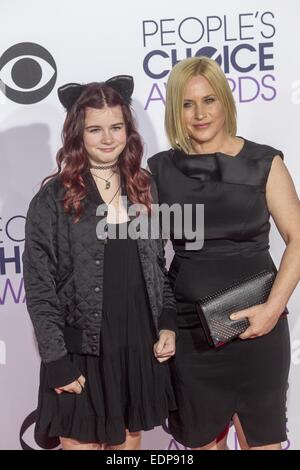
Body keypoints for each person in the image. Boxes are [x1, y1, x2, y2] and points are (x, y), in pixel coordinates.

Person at [147, 57, 300, 450]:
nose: (199, 114)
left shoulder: (265, 162)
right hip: (190, 334)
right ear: (175, 109)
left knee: (263, 442)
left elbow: (298, 237)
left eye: (209, 100)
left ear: (225, 103)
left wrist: (271, 310)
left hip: (258, 329)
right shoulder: (160, 170)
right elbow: (147, 255)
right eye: (187, 103)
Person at [23, 75, 177, 450]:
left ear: (128, 130)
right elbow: (40, 292)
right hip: (81, 353)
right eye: (95, 129)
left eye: (116, 127)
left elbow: (158, 271)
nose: (108, 138)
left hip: (137, 350)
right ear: (78, 134)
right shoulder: (52, 200)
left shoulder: (144, 188)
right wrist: (56, 360)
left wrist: (168, 325)